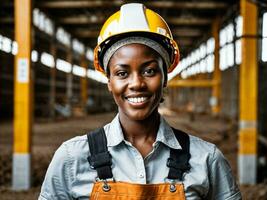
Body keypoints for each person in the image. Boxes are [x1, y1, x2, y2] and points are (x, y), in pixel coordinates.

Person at [39, 3, 241, 200]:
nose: (136, 83)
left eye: (149, 70)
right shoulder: (71, 158)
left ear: (165, 78)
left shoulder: (206, 160)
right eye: (122, 73)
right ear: (109, 82)